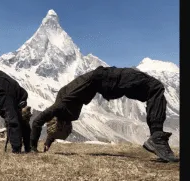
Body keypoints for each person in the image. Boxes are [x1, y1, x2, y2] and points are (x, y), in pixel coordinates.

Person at [30, 66, 179, 162]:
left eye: (64, 131)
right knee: (155, 87)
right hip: (105, 80)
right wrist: (47, 141)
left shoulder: (60, 108)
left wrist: (33, 147)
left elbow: (38, 121)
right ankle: (157, 137)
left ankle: (157, 137)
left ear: (60, 124)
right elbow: (47, 125)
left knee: (154, 88)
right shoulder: (63, 110)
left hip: (104, 78)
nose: (69, 131)